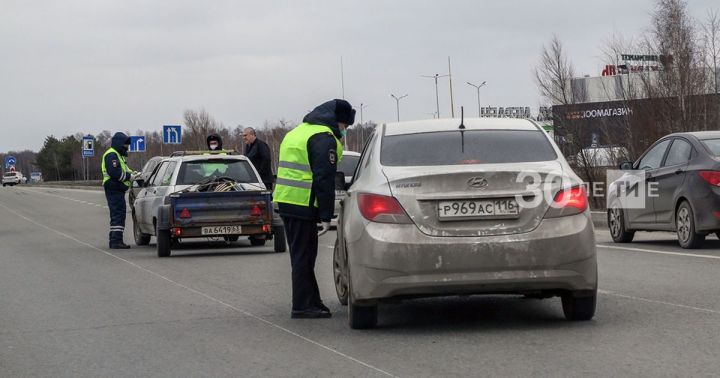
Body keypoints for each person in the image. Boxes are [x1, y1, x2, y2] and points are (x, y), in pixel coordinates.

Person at [273, 99, 355, 319]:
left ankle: (312, 299)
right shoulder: (324, 138)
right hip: (303, 203)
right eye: (345, 127)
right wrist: (326, 215)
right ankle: (301, 305)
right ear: (339, 121)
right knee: (304, 256)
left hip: (287, 200)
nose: (344, 131)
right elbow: (324, 178)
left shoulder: (297, 132)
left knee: (303, 255)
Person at [102, 132, 135, 249]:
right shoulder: (111, 155)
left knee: (118, 213)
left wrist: (133, 174)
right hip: (113, 188)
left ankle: (115, 239)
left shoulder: (117, 155)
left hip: (116, 189)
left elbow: (124, 169)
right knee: (118, 214)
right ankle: (116, 241)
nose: (127, 148)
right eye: (125, 145)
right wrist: (129, 177)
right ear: (119, 144)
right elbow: (115, 172)